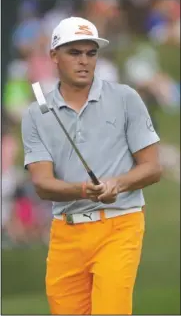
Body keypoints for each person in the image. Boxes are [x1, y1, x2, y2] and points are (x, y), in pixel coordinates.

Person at [21, 17, 162, 315]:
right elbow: (42, 183)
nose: (84, 61)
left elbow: (152, 167)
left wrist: (117, 184)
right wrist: (84, 189)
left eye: (91, 53)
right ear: (54, 57)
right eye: (74, 52)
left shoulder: (126, 98)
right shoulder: (36, 113)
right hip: (66, 232)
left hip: (120, 224)